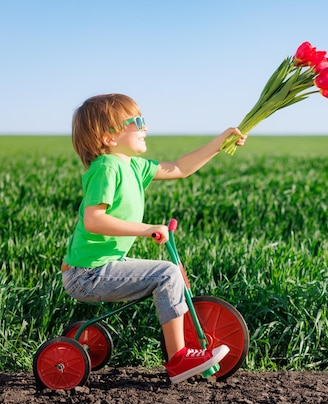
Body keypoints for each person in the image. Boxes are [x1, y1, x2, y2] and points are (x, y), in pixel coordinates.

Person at [61, 93, 246, 384]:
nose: (144, 126)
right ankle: (179, 360)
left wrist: (219, 144)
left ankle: (180, 351)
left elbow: (180, 168)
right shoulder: (107, 167)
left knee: (167, 274)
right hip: (87, 274)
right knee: (167, 273)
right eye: (136, 121)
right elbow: (93, 220)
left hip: (101, 266)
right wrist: (146, 228)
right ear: (108, 137)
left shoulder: (133, 167)